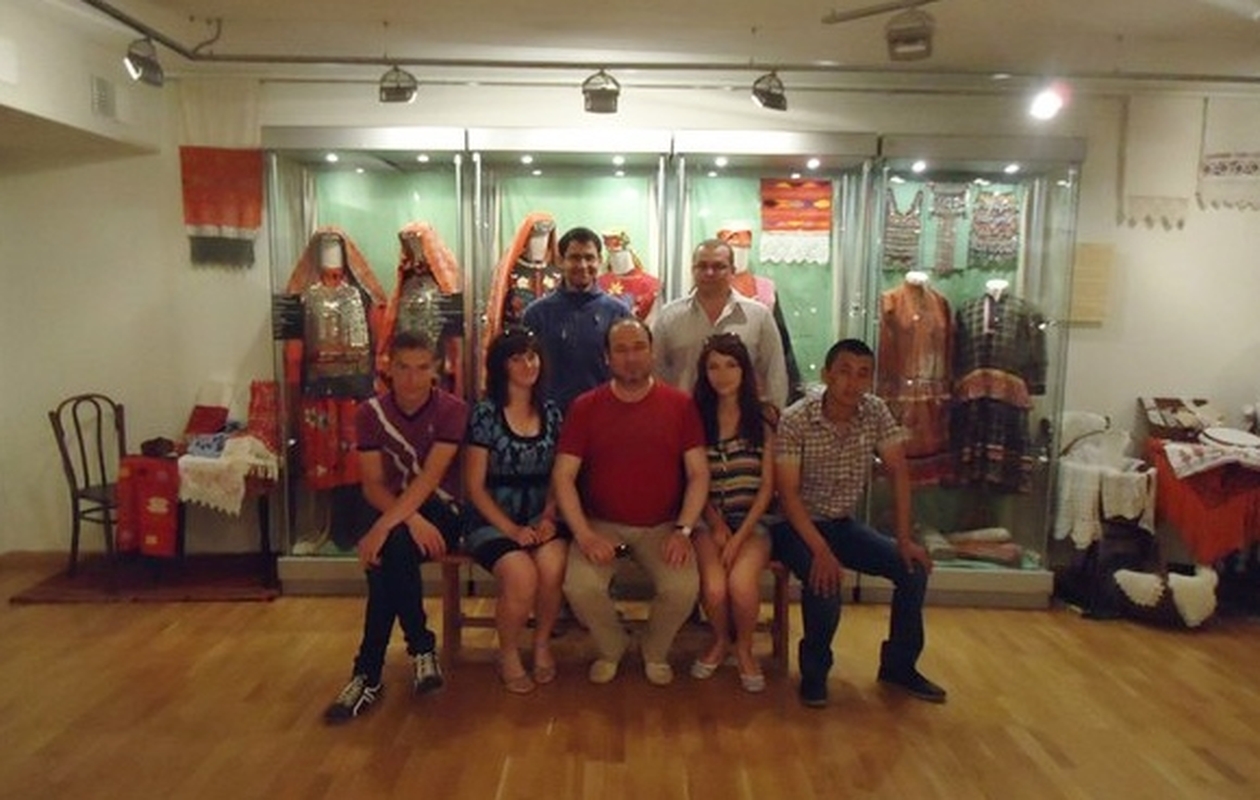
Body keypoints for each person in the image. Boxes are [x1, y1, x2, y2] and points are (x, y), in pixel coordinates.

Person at [772, 338, 946, 708]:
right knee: (824, 581)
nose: (853, 382)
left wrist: (904, 539)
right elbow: (787, 495)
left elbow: (899, 472)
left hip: (842, 523)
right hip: (795, 526)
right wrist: (820, 551)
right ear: (827, 375)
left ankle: (899, 666)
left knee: (912, 570)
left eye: (863, 374)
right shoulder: (796, 418)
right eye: (844, 372)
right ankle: (814, 673)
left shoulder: (874, 411)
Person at [323, 330, 468, 724]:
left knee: (387, 550)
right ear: (388, 367)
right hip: (398, 511)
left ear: (436, 369)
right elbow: (372, 484)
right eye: (403, 368)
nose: (412, 379)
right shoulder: (370, 413)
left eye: (422, 368)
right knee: (394, 549)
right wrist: (404, 521)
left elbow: (431, 478)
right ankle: (416, 649)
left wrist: (382, 528)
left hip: (443, 509)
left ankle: (368, 673)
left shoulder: (452, 409)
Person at [554, 317, 708, 686]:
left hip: (663, 526)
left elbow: (699, 474)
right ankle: (613, 646)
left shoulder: (680, 405)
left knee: (683, 588)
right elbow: (563, 476)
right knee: (580, 586)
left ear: (652, 352)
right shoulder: (585, 407)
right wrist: (584, 534)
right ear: (607, 357)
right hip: (602, 524)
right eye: (621, 350)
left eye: (639, 347)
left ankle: (654, 650)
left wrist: (684, 530)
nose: (631, 357)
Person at [463, 328, 567, 694]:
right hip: (492, 517)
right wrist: (510, 529)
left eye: (532, 356)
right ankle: (507, 652)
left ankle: (541, 643)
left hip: (541, 516)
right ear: (501, 366)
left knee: (552, 568)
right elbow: (474, 485)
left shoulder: (552, 412)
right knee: (521, 576)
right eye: (517, 358)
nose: (528, 365)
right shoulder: (485, 414)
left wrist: (550, 516)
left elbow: (560, 475)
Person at [688, 333, 776, 693]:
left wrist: (739, 536)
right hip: (708, 520)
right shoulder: (696, 417)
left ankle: (744, 647)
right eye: (713, 367)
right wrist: (715, 523)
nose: (722, 374)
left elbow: (768, 487)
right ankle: (721, 639)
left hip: (754, 521)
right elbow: (694, 479)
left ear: (744, 370)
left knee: (740, 584)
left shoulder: (764, 418)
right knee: (714, 587)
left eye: (731, 365)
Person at [652, 238, 788, 410]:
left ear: (733, 270)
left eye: (718, 266)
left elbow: (774, 373)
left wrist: (773, 416)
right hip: (684, 418)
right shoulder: (668, 317)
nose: (709, 272)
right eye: (702, 266)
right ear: (693, 270)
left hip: (742, 419)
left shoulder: (759, 316)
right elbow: (656, 372)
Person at [522, 226, 632, 412]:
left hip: (605, 414)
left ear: (600, 261)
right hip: (551, 418)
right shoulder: (536, 314)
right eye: (574, 258)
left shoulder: (618, 313)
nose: (582, 265)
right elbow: (523, 371)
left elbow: (628, 369)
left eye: (589, 258)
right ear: (560, 261)